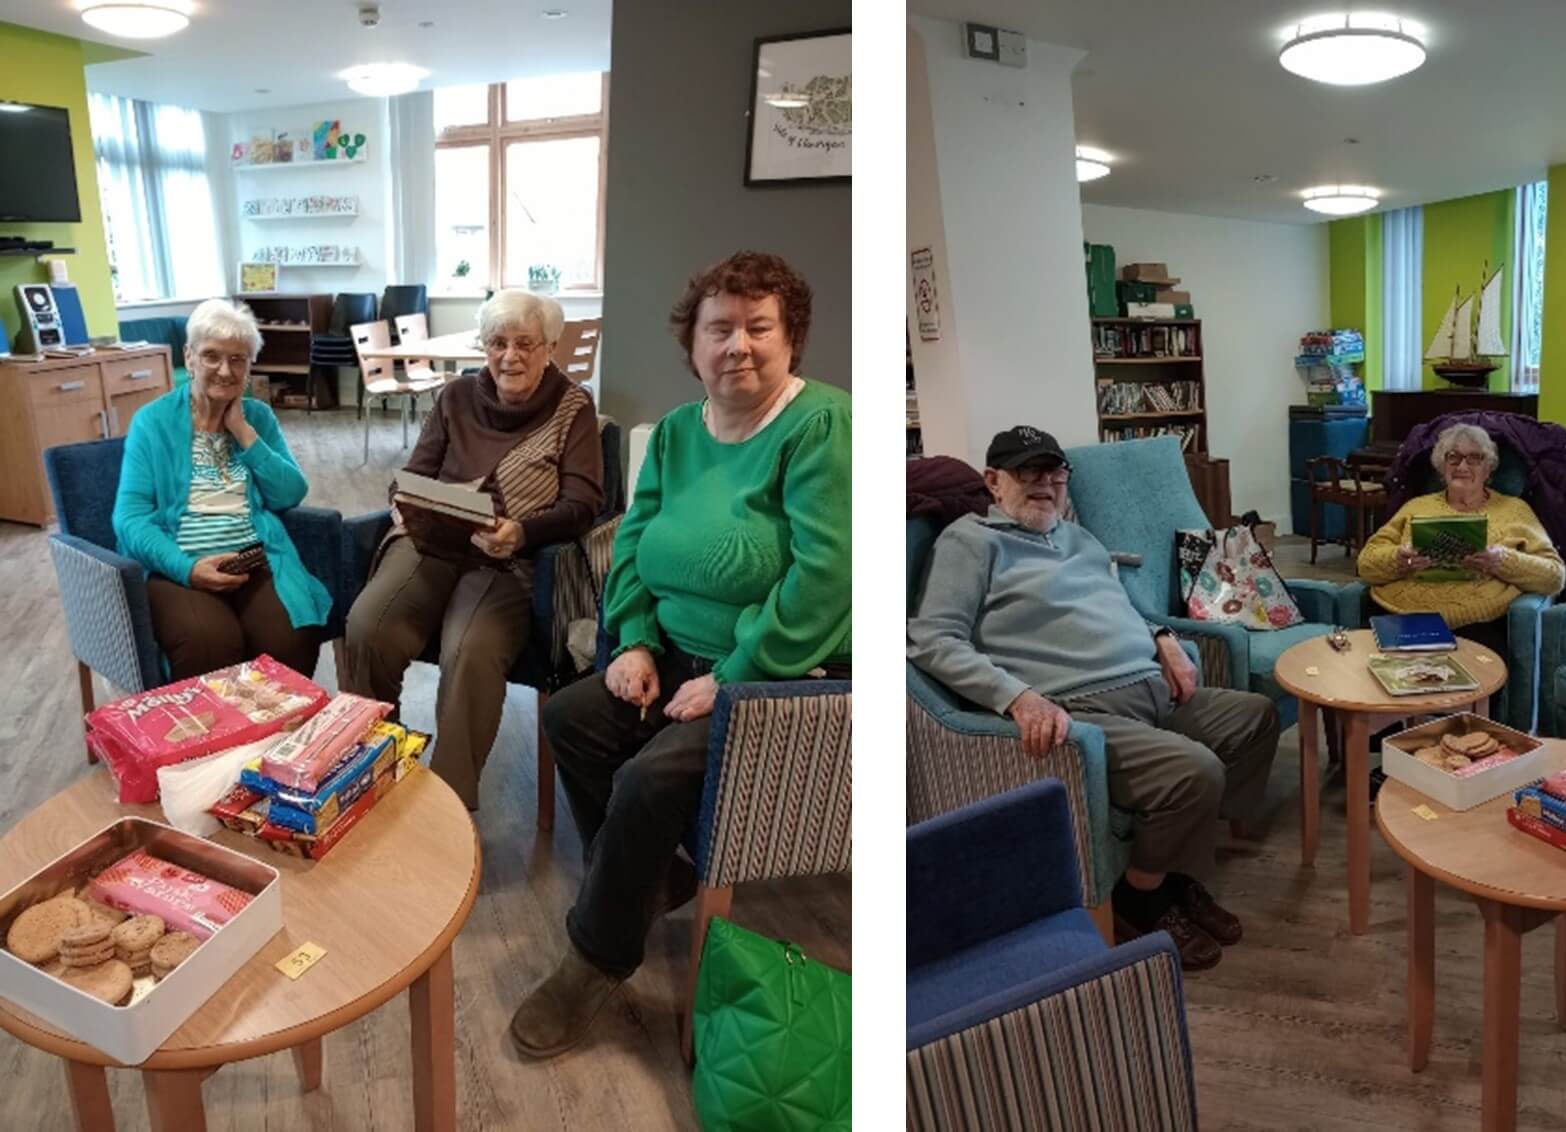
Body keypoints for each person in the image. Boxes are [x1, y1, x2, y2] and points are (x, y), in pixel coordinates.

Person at [509, 251, 852, 1059]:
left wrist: (732, 678)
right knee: (571, 716)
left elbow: (827, 577)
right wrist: (631, 640)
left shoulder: (821, 426)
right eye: (719, 329)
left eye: (757, 327)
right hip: (671, 653)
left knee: (649, 775)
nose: (738, 345)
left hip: (778, 674)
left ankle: (597, 957)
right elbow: (630, 543)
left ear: (790, 339)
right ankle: (644, 877)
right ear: (693, 346)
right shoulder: (672, 433)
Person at [906, 425, 1279, 972]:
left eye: (1055, 473)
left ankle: (1175, 869)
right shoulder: (971, 542)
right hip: (1081, 708)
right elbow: (932, 640)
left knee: (1256, 718)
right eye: (1028, 472)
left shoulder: (1078, 537)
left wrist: (1164, 639)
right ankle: (1140, 894)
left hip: (1154, 687)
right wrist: (1017, 698)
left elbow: (1120, 605)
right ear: (993, 481)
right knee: (1193, 772)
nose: (1045, 485)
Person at [341, 289, 603, 811]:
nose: (511, 356)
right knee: (367, 626)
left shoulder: (574, 406)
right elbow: (414, 473)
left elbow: (584, 503)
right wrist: (405, 500)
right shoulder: (456, 397)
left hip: (507, 558)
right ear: (483, 346)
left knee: (469, 652)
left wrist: (522, 531)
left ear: (550, 345)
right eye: (498, 342)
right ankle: (374, 769)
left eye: (526, 343)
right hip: (433, 542)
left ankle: (448, 806)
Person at [113, 298, 329, 680]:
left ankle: (278, 737)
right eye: (211, 356)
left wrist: (245, 435)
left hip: (253, 559)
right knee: (210, 642)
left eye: (238, 359)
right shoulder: (152, 422)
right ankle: (216, 740)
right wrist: (188, 568)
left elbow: (291, 492)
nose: (225, 371)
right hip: (178, 564)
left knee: (291, 637)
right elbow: (129, 519)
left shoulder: (257, 416)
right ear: (189, 356)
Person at [1357, 422, 1565, 663]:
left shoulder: (1515, 511)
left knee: (1472, 683)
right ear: (1441, 467)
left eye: (1474, 458)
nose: (1462, 466)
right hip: (1400, 616)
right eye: (1453, 458)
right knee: (1369, 677)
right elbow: (1366, 564)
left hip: (1475, 624)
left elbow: (1554, 576)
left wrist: (1503, 561)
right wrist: (1398, 560)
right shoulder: (1416, 506)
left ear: (1488, 469)